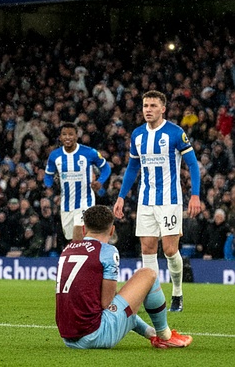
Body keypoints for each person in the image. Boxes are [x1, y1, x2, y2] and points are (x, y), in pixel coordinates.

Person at [56, 205, 192, 349]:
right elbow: (107, 304)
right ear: (112, 230)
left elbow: (117, 306)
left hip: (68, 338)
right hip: (94, 336)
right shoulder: (108, 251)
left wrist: (129, 300)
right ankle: (165, 336)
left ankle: (153, 334)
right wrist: (132, 298)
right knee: (148, 274)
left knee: (124, 304)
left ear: (84, 229)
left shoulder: (67, 250)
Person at [113, 90, 201, 312]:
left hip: (170, 200)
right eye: (145, 106)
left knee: (170, 250)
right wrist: (121, 196)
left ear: (163, 109)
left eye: (153, 106)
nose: (148, 110)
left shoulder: (175, 133)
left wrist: (195, 194)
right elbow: (133, 167)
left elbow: (192, 164)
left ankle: (178, 292)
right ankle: (154, 298)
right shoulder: (138, 135)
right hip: (145, 200)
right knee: (148, 249)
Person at [44, 122, 111, 242]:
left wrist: (100, 181)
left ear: (76, 136)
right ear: (60, 137)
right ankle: (88, 255)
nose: (68, 137)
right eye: (64, 134)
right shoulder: (55, 156)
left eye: (71, 134)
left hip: (86, 201)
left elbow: (106, 168)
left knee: (79, 231)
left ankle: (85, 257)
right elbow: (48, 176)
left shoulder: (89, 152)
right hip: (66, 204)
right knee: (72, 239)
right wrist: (50, 190)